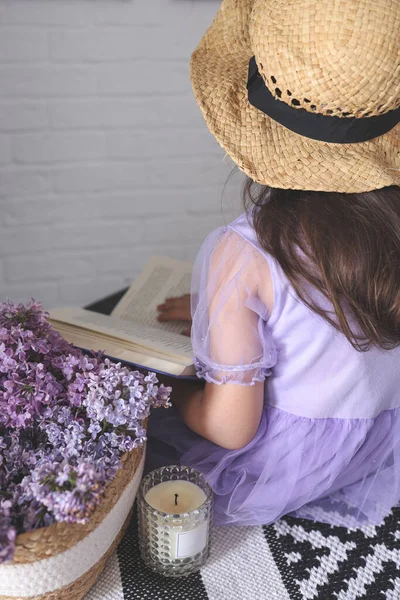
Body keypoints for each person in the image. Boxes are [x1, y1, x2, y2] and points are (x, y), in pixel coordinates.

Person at [148, 0, 400, 528]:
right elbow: (330, 314)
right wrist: (224, 311)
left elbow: (231, 429)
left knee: (139, 446)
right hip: (379, 443)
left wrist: (166, 392)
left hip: (285, 469)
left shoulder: (245, 253)